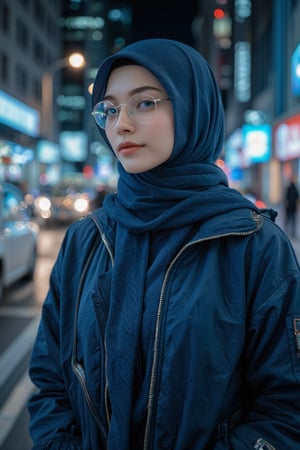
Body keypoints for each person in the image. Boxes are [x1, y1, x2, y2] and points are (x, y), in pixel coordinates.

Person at [28, 39, 300, 450]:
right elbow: (51, 379)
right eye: (109, 109)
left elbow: (285, 409)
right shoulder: (87, 240)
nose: (120, 125)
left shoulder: (255, 246)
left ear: (193, 108)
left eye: (144, 103)